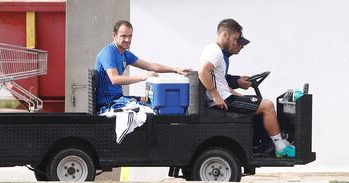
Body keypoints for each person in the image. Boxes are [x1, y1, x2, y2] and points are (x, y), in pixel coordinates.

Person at [198, 18, 295, 158]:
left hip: (226, 97)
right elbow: (202, 72)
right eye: (235, 39)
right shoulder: (216, 52)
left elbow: (220, 82)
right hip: (224, 100)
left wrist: (240, 96)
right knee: (267, 106)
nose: (236, 42)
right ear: (225, 34)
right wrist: (215, 94)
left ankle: (261, 145)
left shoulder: (212, 49)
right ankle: (280, 147)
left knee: (260, 103)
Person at [95, 20, 190, 110]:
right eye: (123, 36)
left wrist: (176, 69)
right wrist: (143, 77)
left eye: (130, 36)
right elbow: (115, 79)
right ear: (114, 35)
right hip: (108, 104)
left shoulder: (125, 54)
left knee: (150, 102)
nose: (127, 40)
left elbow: (150, 66)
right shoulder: (108, 53)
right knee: (147, 113)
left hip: (119, 98)